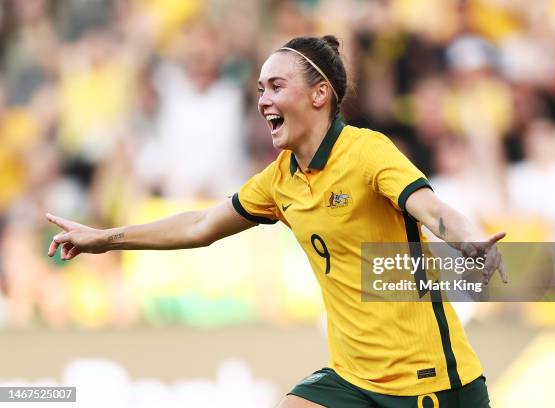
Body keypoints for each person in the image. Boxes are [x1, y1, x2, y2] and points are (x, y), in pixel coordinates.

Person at [47, 35, 507, 408]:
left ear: (319, 93)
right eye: (260, 89)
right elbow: (198, 226)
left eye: (276, 86)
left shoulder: (368, 151)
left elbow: (434, 210)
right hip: (353, 378)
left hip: (431, 384)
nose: (263, 99)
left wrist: (467, 242)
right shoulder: (279, 181)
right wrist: (103, 239)